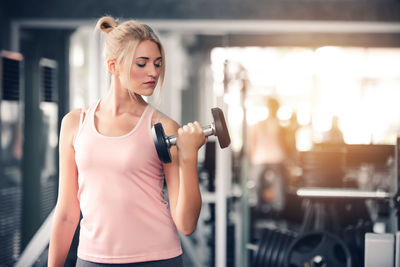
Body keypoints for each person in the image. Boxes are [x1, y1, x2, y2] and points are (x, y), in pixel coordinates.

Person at [48, 16, 206, 267]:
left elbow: (186, 224)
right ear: (113, 66)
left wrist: (189, 157)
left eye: (157, 63)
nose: (153, 72)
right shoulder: (74, 124)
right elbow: (67, 212)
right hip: (92, 259)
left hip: (157, 258)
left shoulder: (164, 127)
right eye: (142, 64)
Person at [248, 97, 287, 217]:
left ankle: (261, 209)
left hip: (263, 159)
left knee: (258, 184)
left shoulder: (263, 125)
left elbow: (251, 143)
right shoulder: (279, 126)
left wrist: (251, 158)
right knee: (278, 185)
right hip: (273, 158)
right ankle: (277, 209)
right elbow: (285, 143)